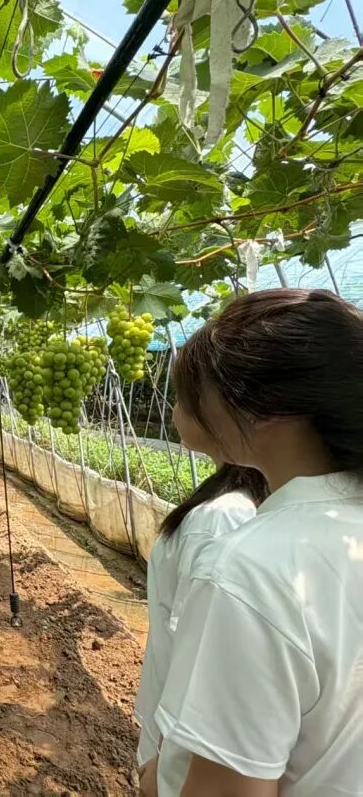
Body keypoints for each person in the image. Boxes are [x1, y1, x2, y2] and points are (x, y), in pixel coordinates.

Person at [138, 289, 363, 797]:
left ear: (263, 408)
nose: (182, 408)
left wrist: (158, 779)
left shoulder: (252, 567)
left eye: (194, 392)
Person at [134, 463, 267, 770]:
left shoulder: (223, 513)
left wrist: (167, 749)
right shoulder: (226, 513)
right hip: (181, 728)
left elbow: (195, 641)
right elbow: (197, 641)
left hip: (181, 731)